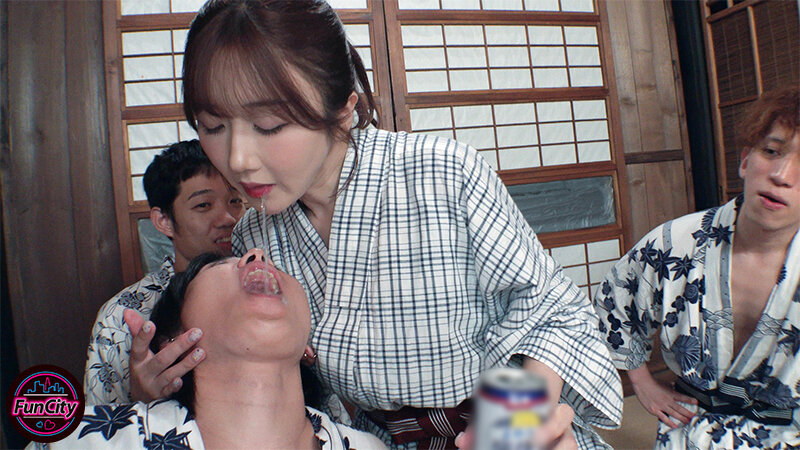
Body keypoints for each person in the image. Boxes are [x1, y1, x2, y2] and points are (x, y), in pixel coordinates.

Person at [131, 1, 623, 448]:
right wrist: (165, 385)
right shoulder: (254, 237)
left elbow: (551, 312)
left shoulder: (442, 172)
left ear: (343, 107)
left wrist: (513, 430)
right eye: (212, 126)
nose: (238, 159)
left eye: (270, 126)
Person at [593, 86, 800, 448]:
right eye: (772, 151)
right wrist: (642, 383)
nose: (782, 174)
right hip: (689, 430)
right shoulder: (677, 242)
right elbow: (614, 303)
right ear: (745, 160)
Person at [33, 250, 385, 449]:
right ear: (172, 343)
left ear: (307, 342)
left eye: (277, 268)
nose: (257, 256)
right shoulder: (82, 440)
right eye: (219, 266)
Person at [83, 140, 245, 405]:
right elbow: (102, 421)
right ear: (164, 221)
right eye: (203, 205)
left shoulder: (268, 288)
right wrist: (144, 400)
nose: (229, 218)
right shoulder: (120, 316)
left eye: (235, 201)